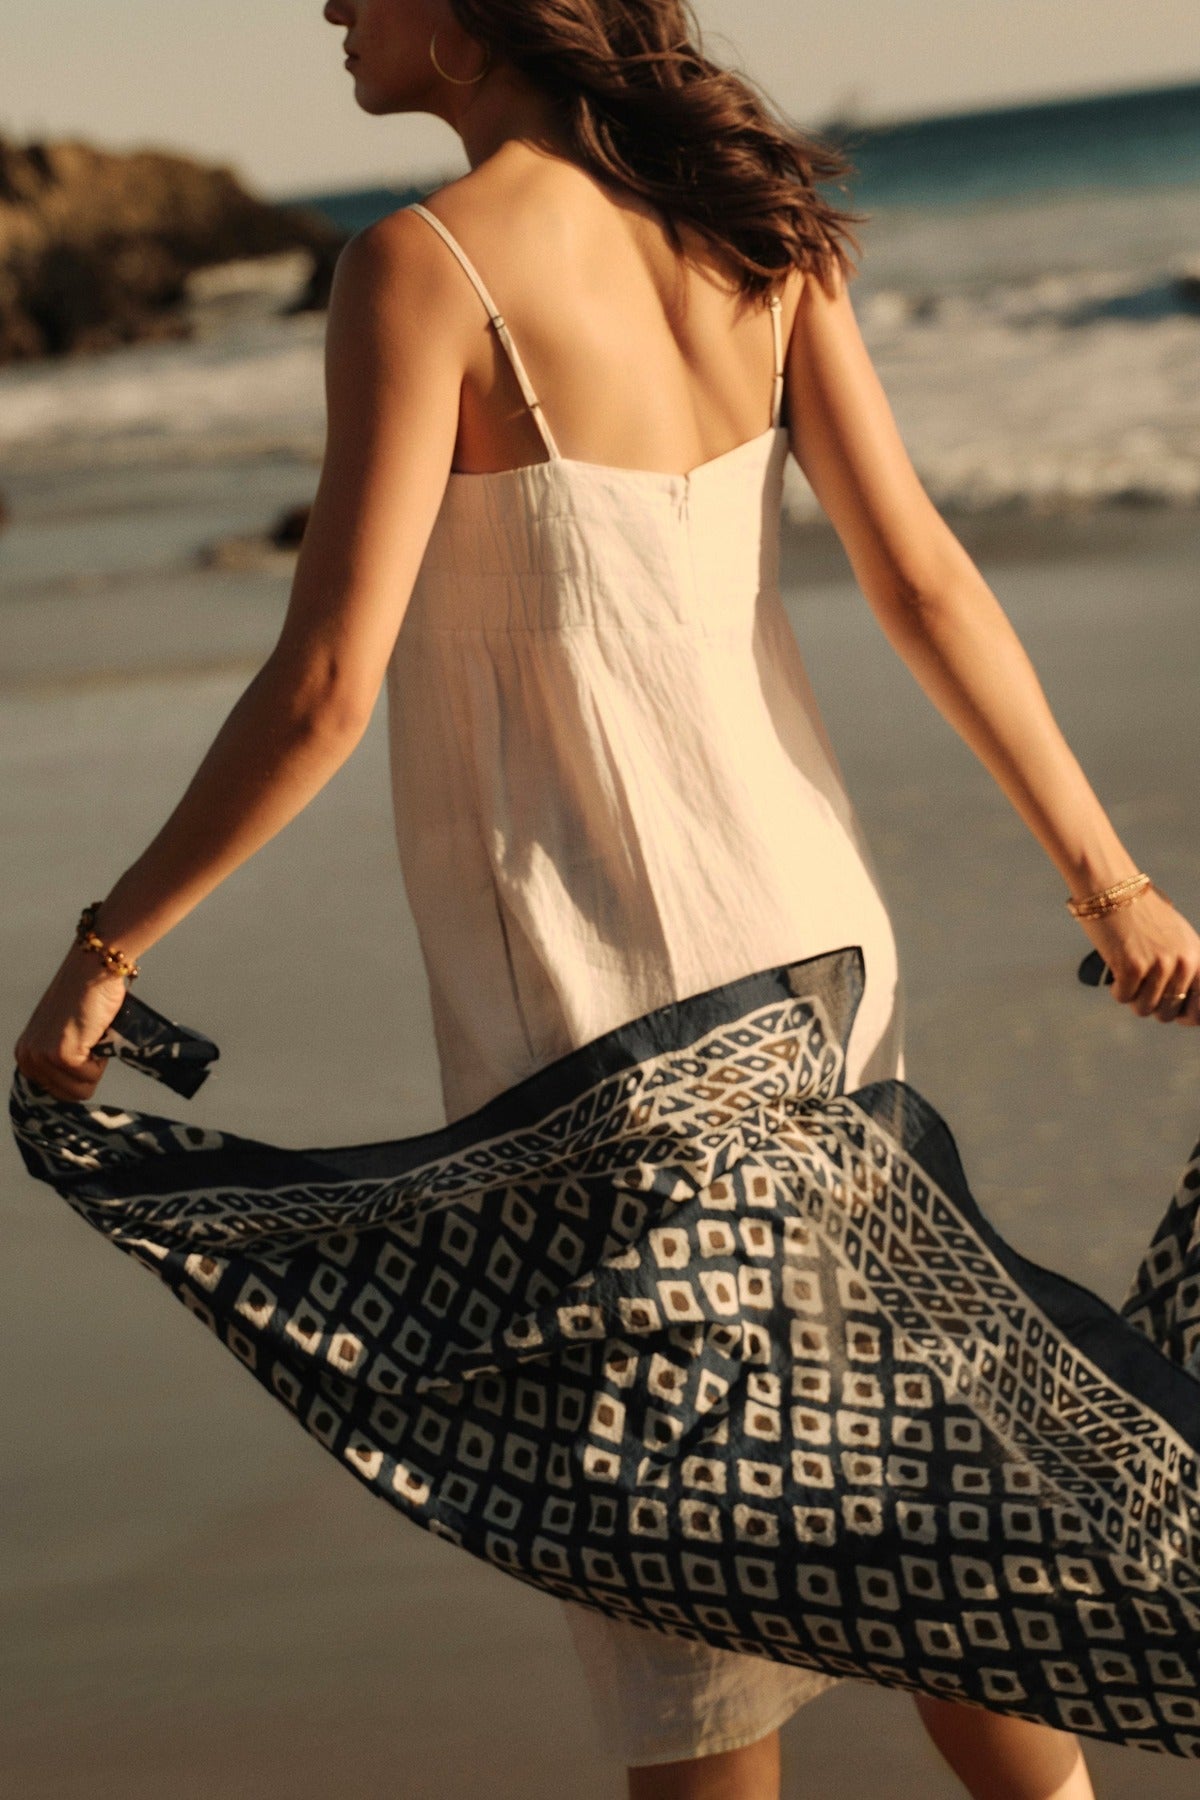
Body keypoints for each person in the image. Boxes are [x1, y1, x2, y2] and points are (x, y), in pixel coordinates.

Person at [13, 3, 1200, 1797]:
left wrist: (111, 945)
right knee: (920, 1503)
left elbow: (327, 684)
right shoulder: (749, 232)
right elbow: (926, 580)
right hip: (813, 938)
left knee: (687, 1612)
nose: (327, 7)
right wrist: (1106, 878)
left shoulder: (422, 266)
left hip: (603, 995)